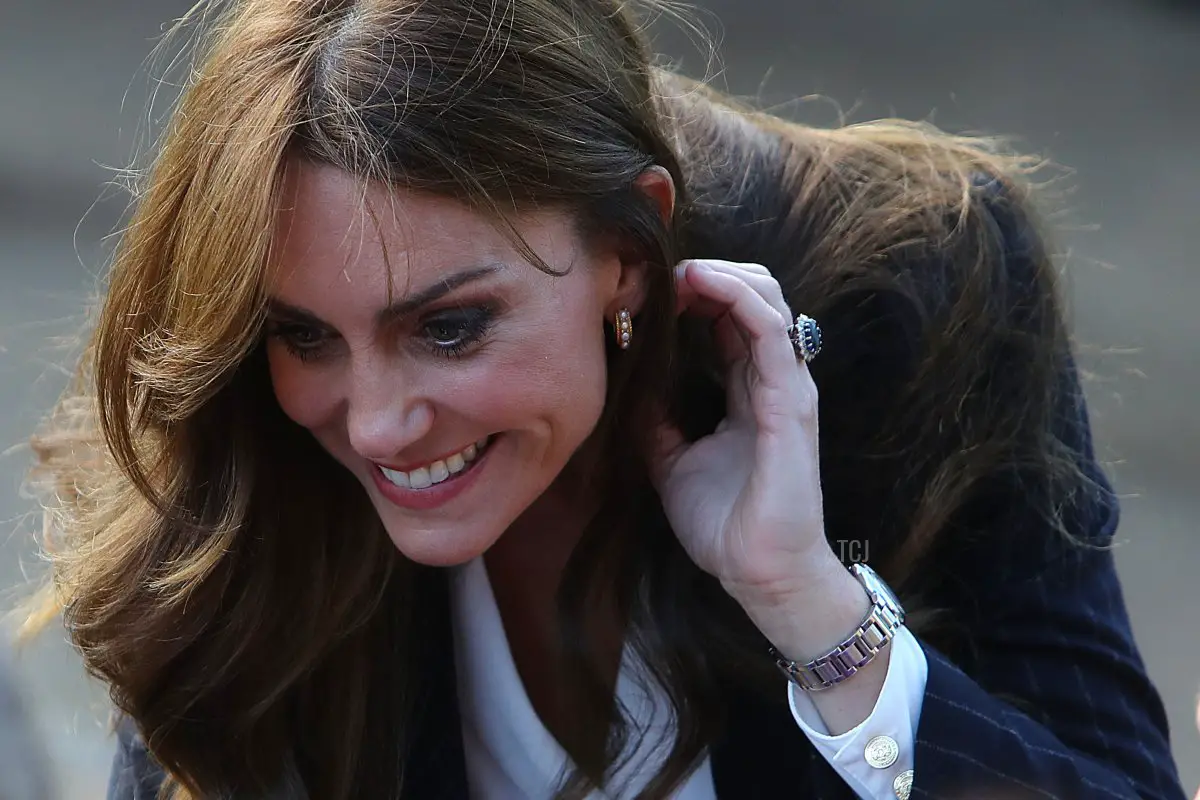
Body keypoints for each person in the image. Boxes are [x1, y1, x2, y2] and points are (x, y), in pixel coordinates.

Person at [16, 0, 1186, 798]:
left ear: (630, 247)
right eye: (304, 334)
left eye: (450, 324)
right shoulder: (262, 451)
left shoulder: (915, 296)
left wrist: (814, 609)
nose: (372, 421)